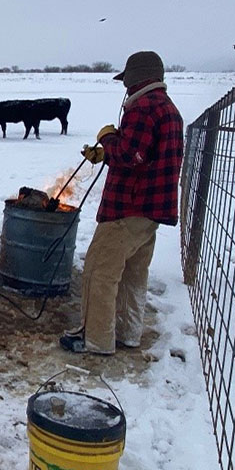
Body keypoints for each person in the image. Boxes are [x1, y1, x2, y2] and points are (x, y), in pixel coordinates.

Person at [60, 51, 184, 354]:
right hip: (151, 211)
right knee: (132, 273)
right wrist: (106, 154)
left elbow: (131, 156)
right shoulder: (168, 109)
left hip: (127, 209)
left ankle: (96, 340)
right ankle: (129, 333)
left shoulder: (143, 107)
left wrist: (108, 139)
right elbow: (146, 155)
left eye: (126, 81)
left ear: (135, 79)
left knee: (100, 271)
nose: (124, 88)